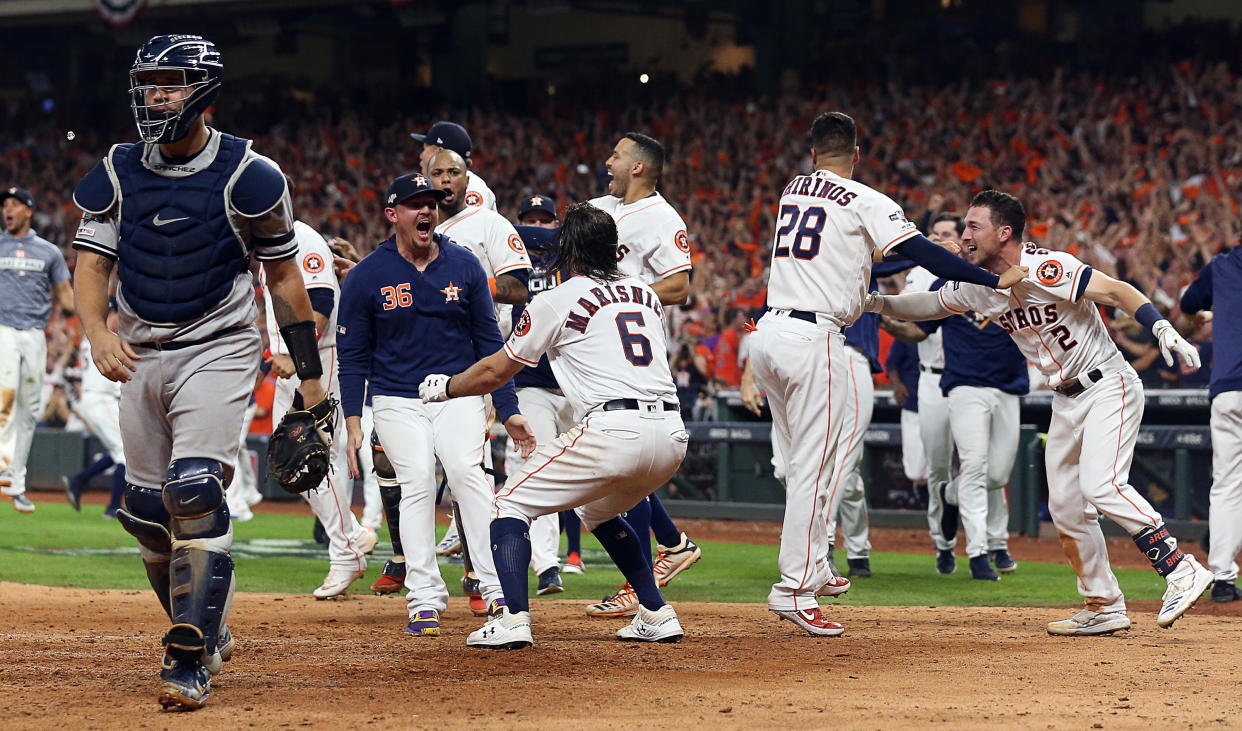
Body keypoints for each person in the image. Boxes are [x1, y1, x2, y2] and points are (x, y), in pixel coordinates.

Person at [71, 35, 329, 710]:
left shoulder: (249, 173)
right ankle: (205, 628)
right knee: (146, 515)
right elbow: (92, 264)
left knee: (194, 492)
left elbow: (285, 282)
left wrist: (312, 385)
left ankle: (188, 657)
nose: (157, 95)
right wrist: (96, 332)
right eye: (149, 83)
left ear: (205, 90)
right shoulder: (120, 168)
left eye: (172, 82)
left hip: (219, 342)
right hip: (139, 348)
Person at [866, 188, 1214, 635]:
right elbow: (928, 306)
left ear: (1003, 232)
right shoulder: (978, 284)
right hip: (1065, 398)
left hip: (1107, 383)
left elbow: (1116, 290)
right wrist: (875, 303)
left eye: (974, 226)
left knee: (1102, 485)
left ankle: (1180, 567)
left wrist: (1160, 325)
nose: (965, 235)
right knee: (1066, 506)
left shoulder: (1045, 267)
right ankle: (1104, 603)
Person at [749, 112, 1028, 637]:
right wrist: (987, 275)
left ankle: (812, 564)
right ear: (857, 154)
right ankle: (795, 584)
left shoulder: (794, 188)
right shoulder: (866, 199)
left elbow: (848, 257)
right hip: (814, 339)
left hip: (769, 334)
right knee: (820, 463)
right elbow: (920, 253)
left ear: (813, 155)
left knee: (802, 464)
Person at [418, 202, 690, 649]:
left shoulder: (555, 299)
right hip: (672, 434)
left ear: (568, 251)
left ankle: (512, 619)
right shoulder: (645, 293)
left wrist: (446, 387)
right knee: (598, 511)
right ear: (615, 251)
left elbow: (496, 372)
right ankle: (656, 612)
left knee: (506, 504)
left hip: (614, 427)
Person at [337, 172, 534, 638]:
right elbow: (352, 356)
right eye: (414, 204)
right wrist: (351, 422)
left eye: (431, 203)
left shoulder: (464, 266)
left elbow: (491, 345)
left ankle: (495, 587)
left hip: (456, 392)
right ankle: (424, 597)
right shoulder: (367, 275)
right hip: (395, 397)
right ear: (393, 214)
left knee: (469, 475)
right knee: (418, 481)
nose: (426, 210)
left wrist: (509, 410)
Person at [585, 132, 702, 618]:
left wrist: (623, 293)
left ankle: (646, 579)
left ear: (638, 167)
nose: (607, 161)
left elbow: (679, 285)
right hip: (592, 350)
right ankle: (672, 545)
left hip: (632, 356)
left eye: (616, 155)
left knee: (625, 463)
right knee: (620, 468)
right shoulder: (599, 207)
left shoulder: (661, 216)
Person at [260, 219, 376, 597]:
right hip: (293, 363)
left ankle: (346, 551)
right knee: (289, 461)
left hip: (319, 362)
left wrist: (299, 358)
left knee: (312, 457)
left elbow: (322, 300)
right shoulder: (266, 241)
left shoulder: (303, 239)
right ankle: (353, 535)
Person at [915, 275, 1028, 581]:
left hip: (1008, 386)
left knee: (997, 475)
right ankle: (978, 554)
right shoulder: (947, 281)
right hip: (964, 385)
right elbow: (919, 327)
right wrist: (882, 311)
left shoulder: (1020, 279)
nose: (969, 239)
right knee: (975, 466)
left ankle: (950, 493)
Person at [881, 212, 964, 574]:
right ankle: (943, 544)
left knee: (986, 468)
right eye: (936, 233)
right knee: (937, 467)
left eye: (949, 233)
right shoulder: (918, 275)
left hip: (972, 379)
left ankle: (993, 543)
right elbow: (910, 326)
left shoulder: (974, 270)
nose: (942, 238)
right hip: (932, 377)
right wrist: (879, 311)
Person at [1, 186, 74, 513]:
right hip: (3, 329)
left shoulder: (49, 252)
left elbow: (68, 299)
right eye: (5, 205)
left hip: (34, 335)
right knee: (7, 394)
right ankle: (3, 469)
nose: (7, 209)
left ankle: (16, 481)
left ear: (28, 210)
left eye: (14, 204)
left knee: (30, 408)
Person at [1180, 246, 1242, 603]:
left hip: (1229, 390)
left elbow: (1189, 304)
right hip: (1229, 386)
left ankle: (1222, 578)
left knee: (1227, 486)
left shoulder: (1222, 265)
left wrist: (1207, 312)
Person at [63, 302, 127, 518]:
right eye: (119, 314)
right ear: (112, 315)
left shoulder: (92, 334)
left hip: (95, 398)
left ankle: (79, 480)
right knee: (125, 453)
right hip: (101, 398)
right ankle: (113, 508)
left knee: (121, 450)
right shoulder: (107, 336)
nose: (121, 319)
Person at [411, 120, 496, 211]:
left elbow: (474, 224)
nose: (421, 156)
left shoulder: (471, 187)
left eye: (424, 149)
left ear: (438, 152)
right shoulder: (445, 186)